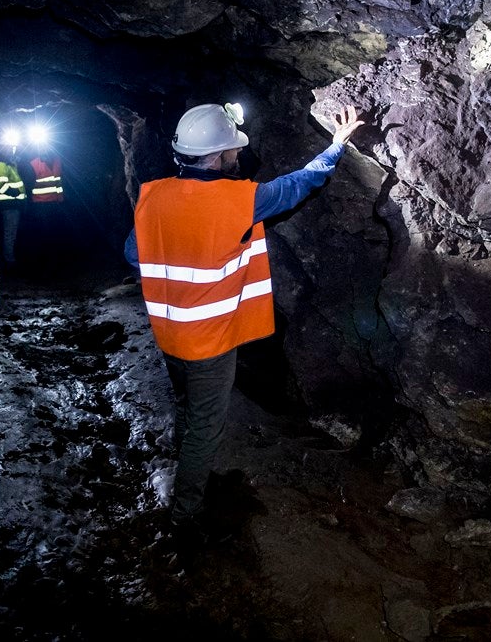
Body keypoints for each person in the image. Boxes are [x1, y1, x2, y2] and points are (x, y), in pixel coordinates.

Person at [124, 101, 364, 558]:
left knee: (186, 407)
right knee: (206, 428)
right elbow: (298, 184)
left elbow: (133, 255)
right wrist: (335, 148)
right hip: (209, 338)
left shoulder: (152, 194)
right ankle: (186, 517)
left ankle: (192, 472)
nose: (238, 155)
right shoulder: (240, 199)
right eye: (233, 148)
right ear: (218, 156)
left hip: (169, 333)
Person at [0, 142, 29, 270]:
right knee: (10, 233)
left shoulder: (8, 163)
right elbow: (1, 185)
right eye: (10, 148)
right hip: (9, 205)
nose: (12, 150)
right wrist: (16, 192)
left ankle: (10, 259)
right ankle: (9, 261)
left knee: (12, 233)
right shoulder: (1, 164)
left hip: (13, 204)